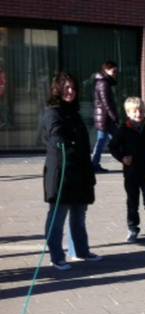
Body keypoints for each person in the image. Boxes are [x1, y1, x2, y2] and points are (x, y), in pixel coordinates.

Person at [41, 72, 101, 270]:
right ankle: (56, 256)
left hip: (80, 171)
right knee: (58, 215)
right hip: (62, 171)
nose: (71, 92)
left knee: (79, 214)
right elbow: (54, 133)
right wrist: (62, 142)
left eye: (73, 88)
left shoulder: (74, 112)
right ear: (57, 89)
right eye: (66, 88)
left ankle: (80, 251)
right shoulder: (53, 112)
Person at [108, 97, 145, 244]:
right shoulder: (124, 129)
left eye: (141, 110)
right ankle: (133, 228)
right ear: (128, 113)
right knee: (132, 201)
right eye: (135, 111)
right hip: (131, 172)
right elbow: (112, 146)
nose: (138, 113)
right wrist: (122, 157)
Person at [91, 61, 119, 173]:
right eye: (114, 71)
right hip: (105, 118)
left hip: (105, 118)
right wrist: (114, 117)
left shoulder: (105, 82)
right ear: (106, 70)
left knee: (116, 140)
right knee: (103, 141)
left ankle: (94, 164)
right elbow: (106, 103)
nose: (115, 73)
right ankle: (94, 164)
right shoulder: (103, 83)